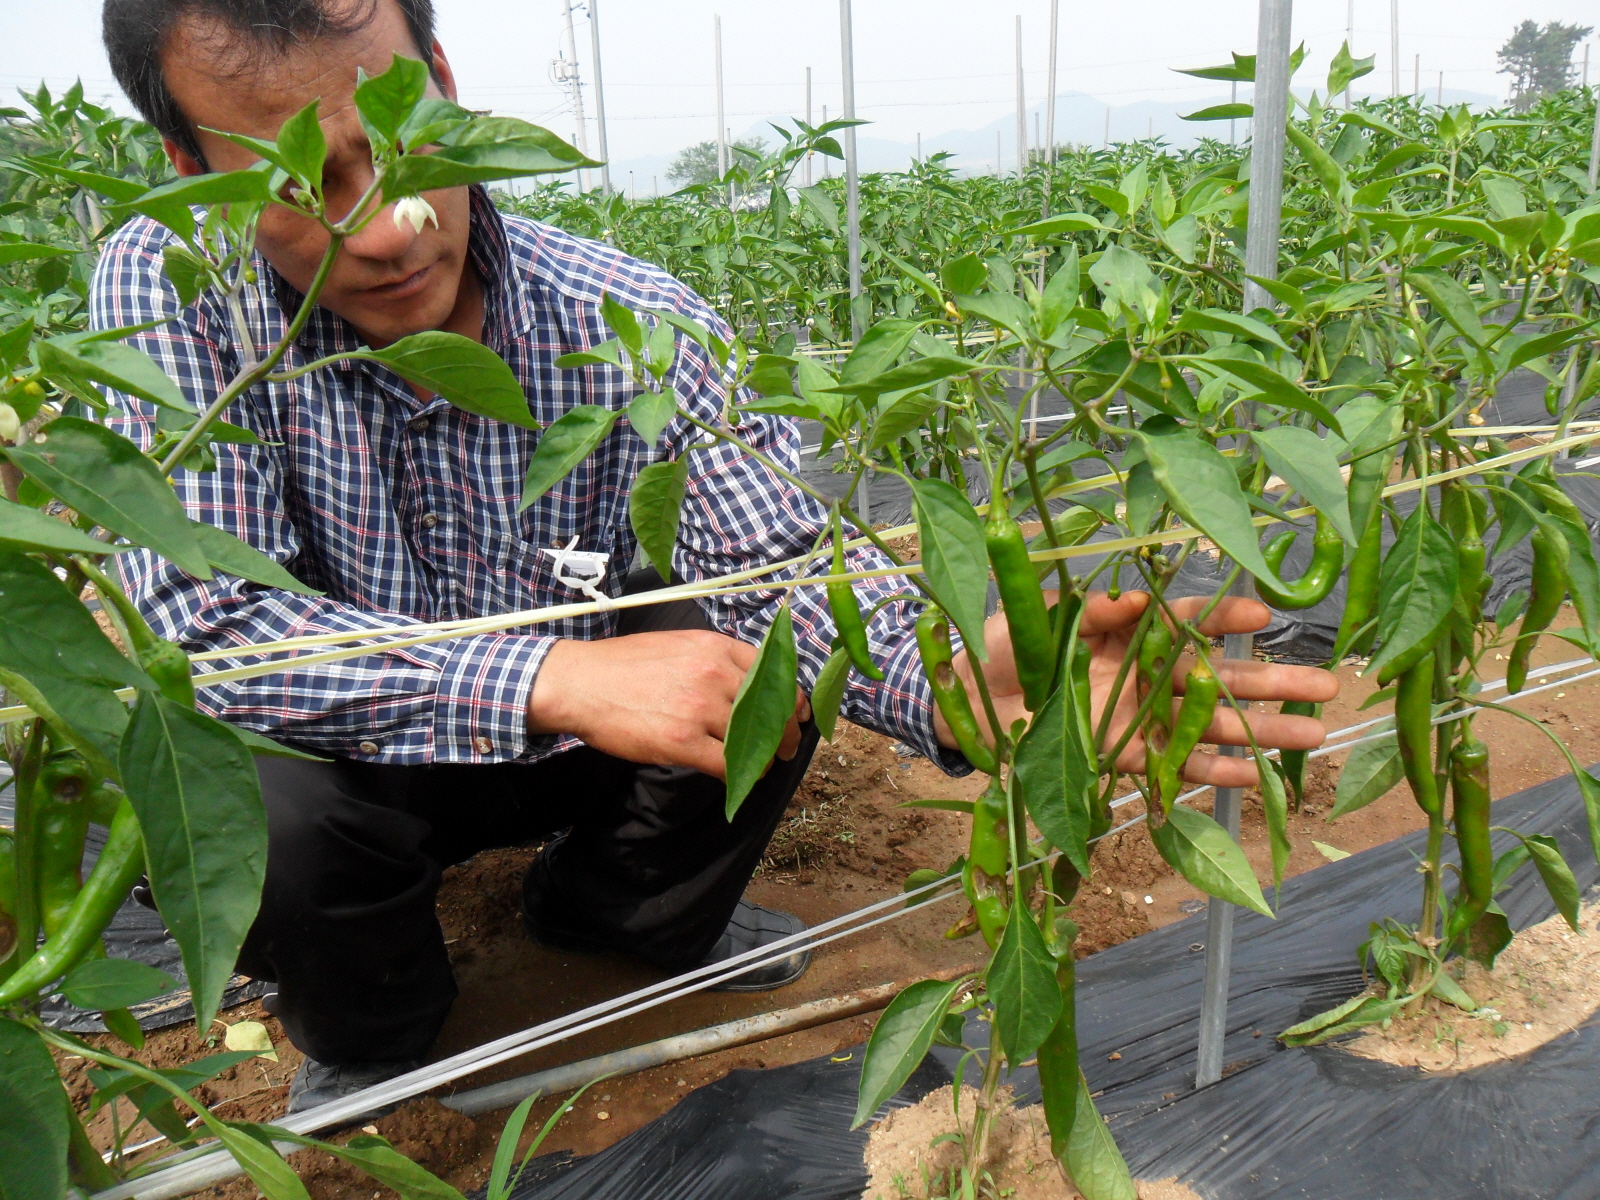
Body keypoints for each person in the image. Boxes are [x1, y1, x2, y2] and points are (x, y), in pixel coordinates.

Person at [94, 0, 1339, 1114]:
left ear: (447, 79)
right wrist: (545, 679)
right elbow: (205, 636)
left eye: (398, 141)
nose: (378, 229)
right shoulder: (167, 292)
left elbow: (777, 560)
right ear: (187, 168)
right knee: (244, 801)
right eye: (296, 181)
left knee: (768, 657)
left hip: (593, 748)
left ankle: (618, 915)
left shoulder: (622, 316)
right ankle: (371, 1031)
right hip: (356, 760)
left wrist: (946, 676)